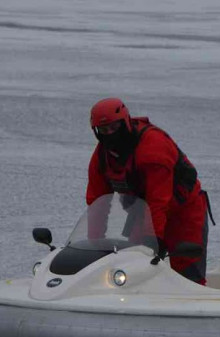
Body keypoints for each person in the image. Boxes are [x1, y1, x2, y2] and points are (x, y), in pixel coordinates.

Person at [86, 97, 210, 284]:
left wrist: (154, 239)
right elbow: (96, 203)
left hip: (183, 214)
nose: (110, 134)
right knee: (131, 268)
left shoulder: (153, 149)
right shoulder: (102, 157)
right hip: (143, 215)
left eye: (114, 128)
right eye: (104, 130)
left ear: (125, 122)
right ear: (96, 132)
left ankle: (195, 303)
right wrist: (95, 245)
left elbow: (158, 201)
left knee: (187, 274)